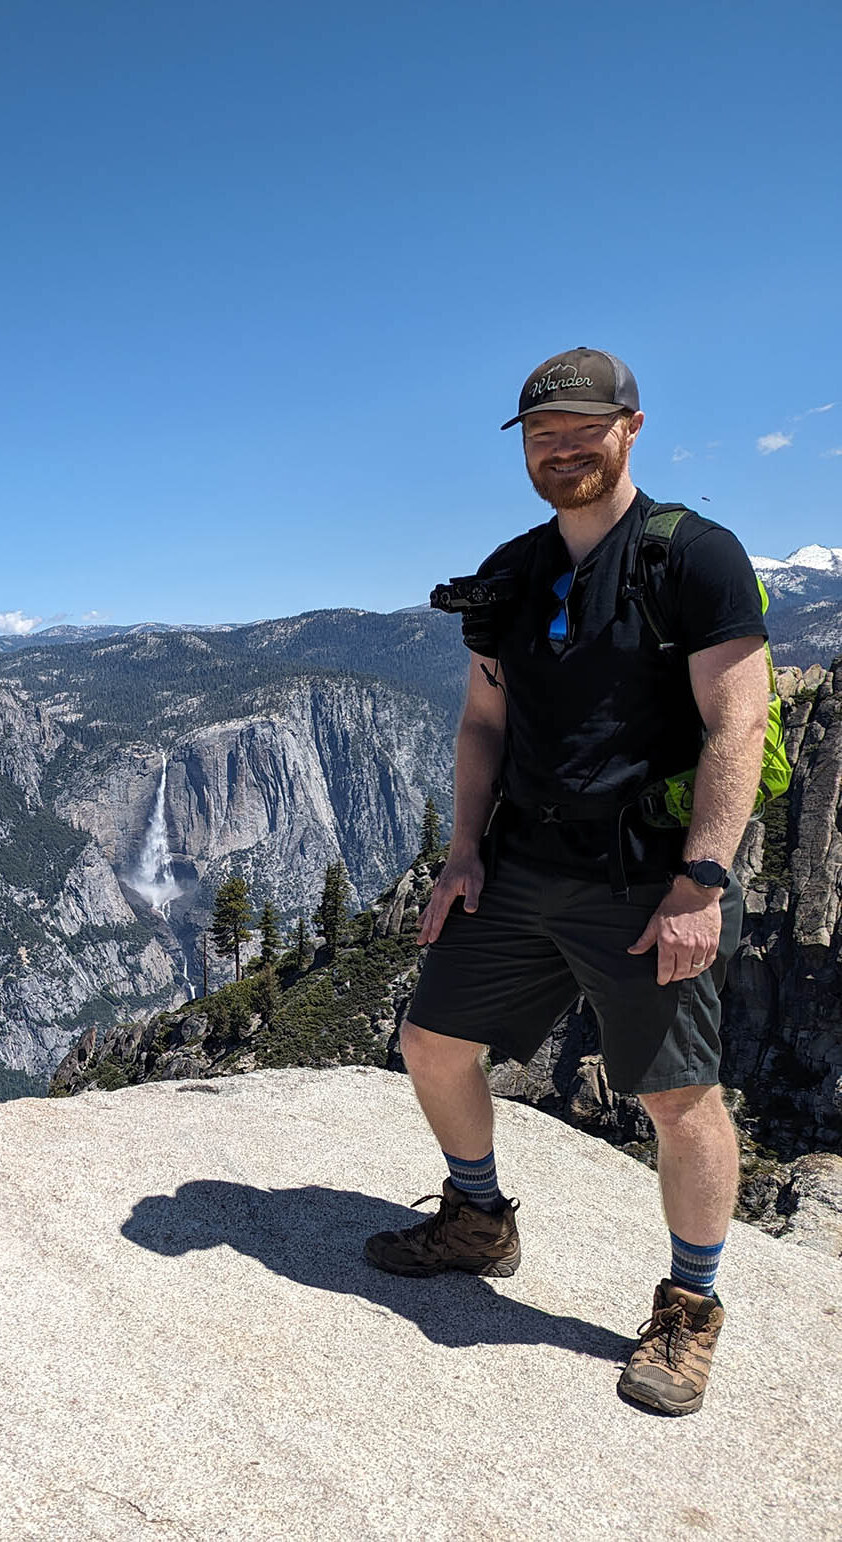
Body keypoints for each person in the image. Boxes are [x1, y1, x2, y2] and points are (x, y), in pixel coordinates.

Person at [364, 348, 769, 1416]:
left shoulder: (695, 559)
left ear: (629, 426)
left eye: (580, 429)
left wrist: (702, 880)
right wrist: (460, 856)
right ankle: (477, 1218)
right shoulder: (509, 572)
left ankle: (688, 1308)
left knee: (676, 1101)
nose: (560, 449)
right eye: (541, 435)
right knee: (431, 1041)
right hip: (519, 865)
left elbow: (738, 720)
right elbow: (482, 721)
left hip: (643, 880)